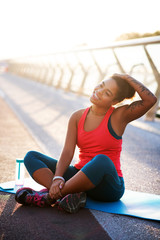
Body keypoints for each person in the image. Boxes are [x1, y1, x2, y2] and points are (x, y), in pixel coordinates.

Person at [15, 73, 157, 213]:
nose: (99, 91)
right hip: (79, 178)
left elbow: (150, 100)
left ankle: (49, 197)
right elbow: (68, 151)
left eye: (107, 93)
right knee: (31, 156)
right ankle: (63, 193)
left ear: (114, 101)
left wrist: (125, 77)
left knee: (101, 160)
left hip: (107, 186)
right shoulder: (77, 116)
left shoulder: (118, 116)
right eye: (101, 85)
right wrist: (58, 178)